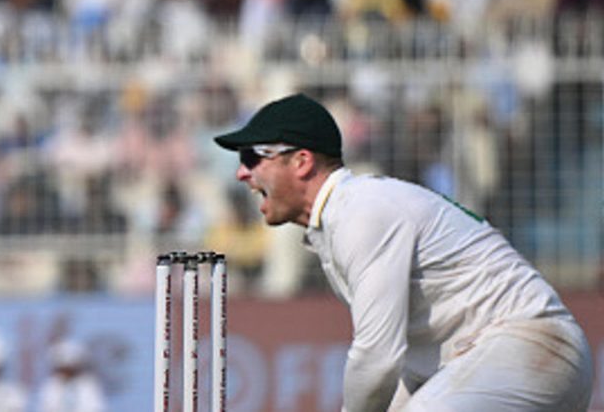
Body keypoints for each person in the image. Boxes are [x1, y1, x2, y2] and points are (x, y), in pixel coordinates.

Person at [213, 93, 594, 412]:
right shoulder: (346, 216)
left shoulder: (360, 212)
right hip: (497, 356)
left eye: (252, 157)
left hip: (530, 346)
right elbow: (396, 368)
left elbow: (377, 358)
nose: (241, 173)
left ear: (301, 161)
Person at [35, 339, 106, 412]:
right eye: (63, 367)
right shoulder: (51, 385)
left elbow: (96, 407)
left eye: (70, 367)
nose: (66, 371)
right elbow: (45, 406)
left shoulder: (88, 385)